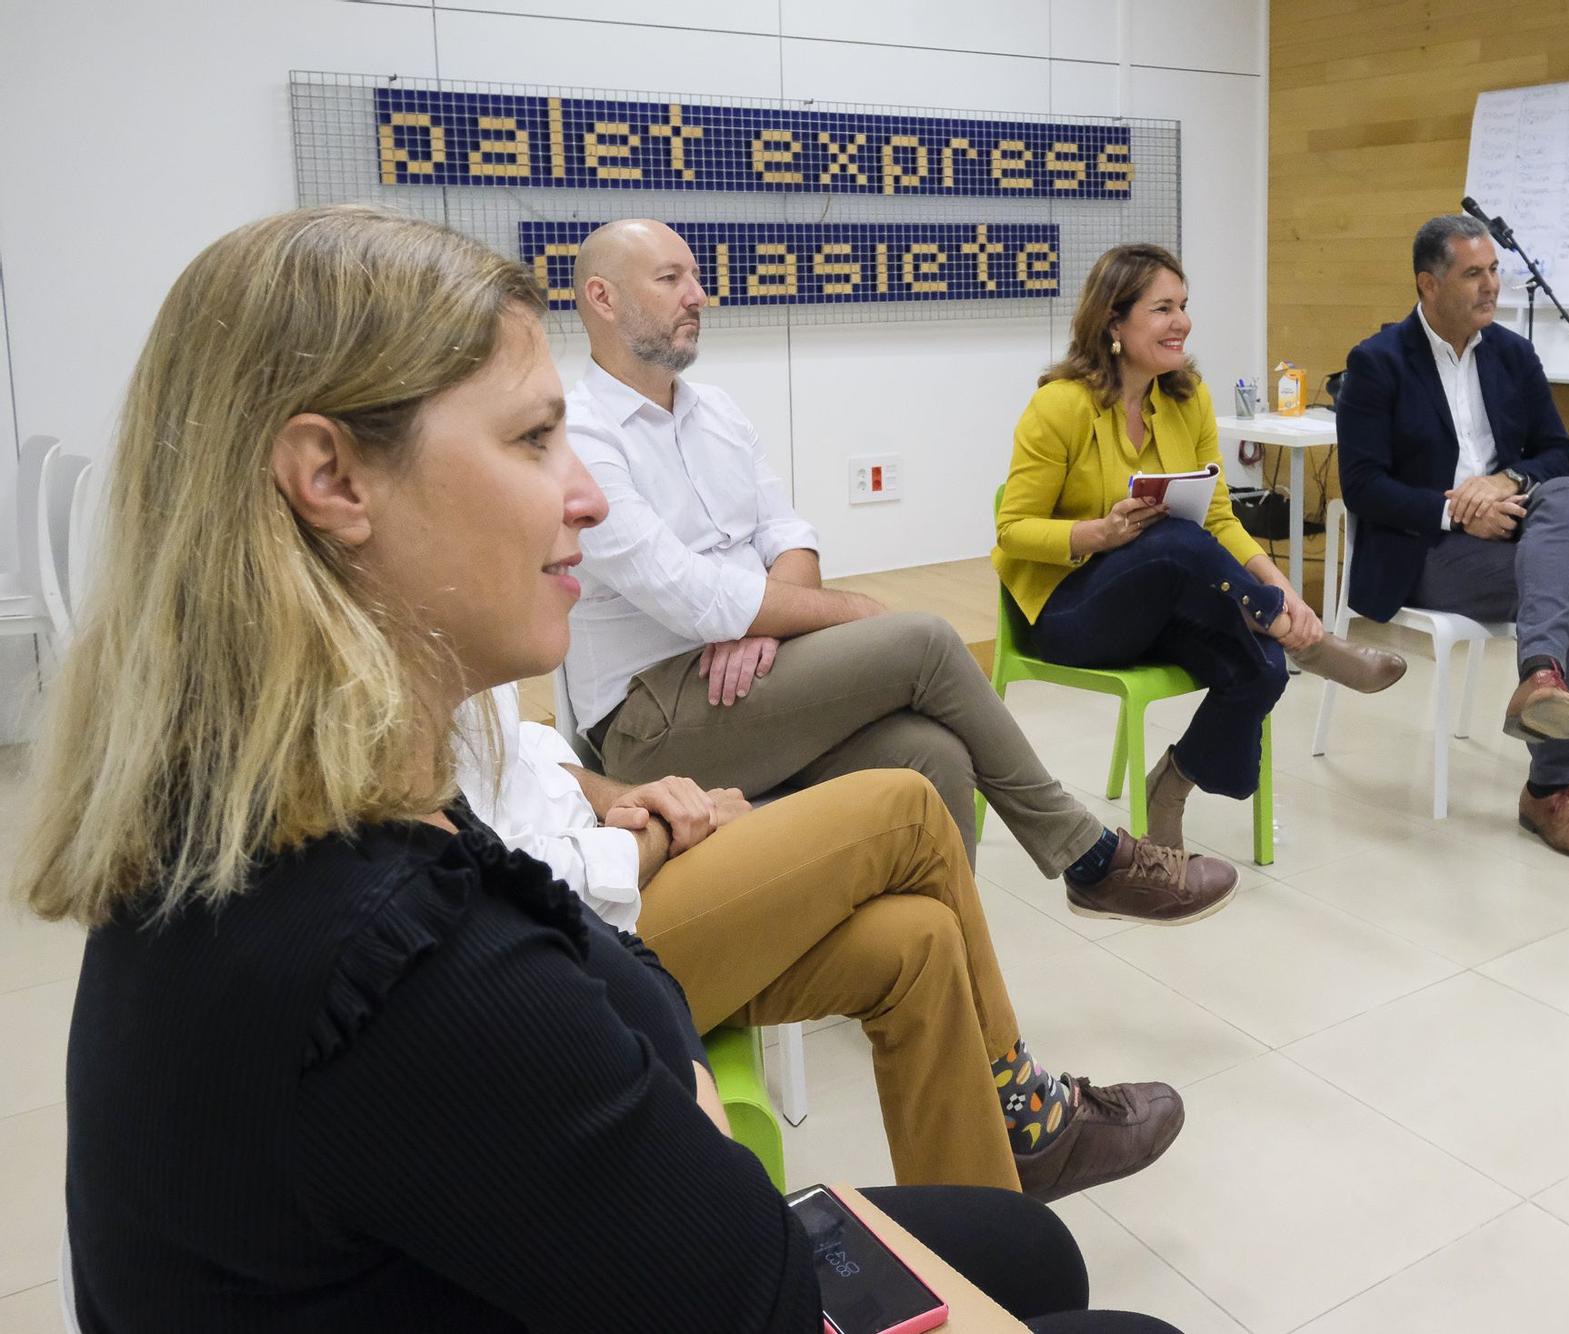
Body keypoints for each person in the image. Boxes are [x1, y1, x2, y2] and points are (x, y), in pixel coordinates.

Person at [17, 205, 1182, 1332]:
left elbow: (753, 564)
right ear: (331, 477)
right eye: (532, 441)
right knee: (915, 718)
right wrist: (668, 1002)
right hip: (666, 728)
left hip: (706, 728)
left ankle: (1009, 1135)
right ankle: (1072, 898)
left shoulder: (288, 809)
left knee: (950, 977)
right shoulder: (419, 972)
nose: (578, 488)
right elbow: (740, 1271)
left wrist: (737, 662)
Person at [564, 218, 1235, 925]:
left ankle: (948, 997)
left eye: (695, 276)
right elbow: (688, 593)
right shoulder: (581, 435)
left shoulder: (716, 413)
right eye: (670, 279)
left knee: (933, 753)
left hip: (750, 682)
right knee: (924, 639)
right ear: (602, 300)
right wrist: (829, 611)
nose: (697, 294)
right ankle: (1090, 857)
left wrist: (762, 620)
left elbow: (788, 533)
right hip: (650, 723)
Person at [459, 682, 1186, 1199]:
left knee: (919, 940)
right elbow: (500, 890)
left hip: (616, 869)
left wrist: (631, 800)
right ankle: (1028, 1115)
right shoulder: (378, 683)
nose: (571, 492)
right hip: (575, 955)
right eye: (531, 452)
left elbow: (526, 763)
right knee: (908, 805)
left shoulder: (439, 623)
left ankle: (981, 1243)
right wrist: (657, 835)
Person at [994, 244, 1407, 848]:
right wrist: (1100, 533)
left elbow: (1220, 519)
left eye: (1184, 306)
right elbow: (1012, 529)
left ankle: (1173, 784)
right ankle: (1302, 641)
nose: (1182, 322)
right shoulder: (1060, 404)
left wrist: (1285, 590)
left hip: (1159, 601)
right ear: (1114, 321)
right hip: (1070, 615)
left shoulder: (1188, 399)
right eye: (1163, 308)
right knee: (1172, 538)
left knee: (1262, 664)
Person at [1337, 214, 1569, 864]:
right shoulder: (1377, 362)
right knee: (1560, 578)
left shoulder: (1512, 354)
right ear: (1429, 284)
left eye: (1494, 270)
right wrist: (1454, 512)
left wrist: (1506, 480)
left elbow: (1559, 456)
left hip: (1509, 531)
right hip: (1425, 554)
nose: (1491, 285)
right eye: (1474, 273)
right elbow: (1363, 487)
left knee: (1567, 500)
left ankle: (1540, 677)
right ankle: (1551, 789)